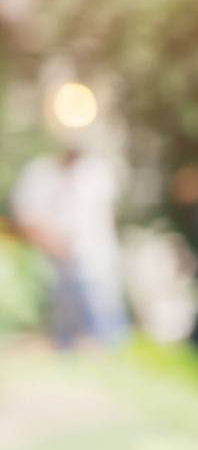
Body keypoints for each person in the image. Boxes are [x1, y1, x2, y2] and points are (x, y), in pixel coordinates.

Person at [10, 145, 130, 348]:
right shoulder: (39, 172)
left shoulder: (97, 171)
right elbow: (24, 216)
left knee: (106, 326)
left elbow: (110, 215)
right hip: (56, 263)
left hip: (96, 260)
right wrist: (50, 240)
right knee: (65, 332)